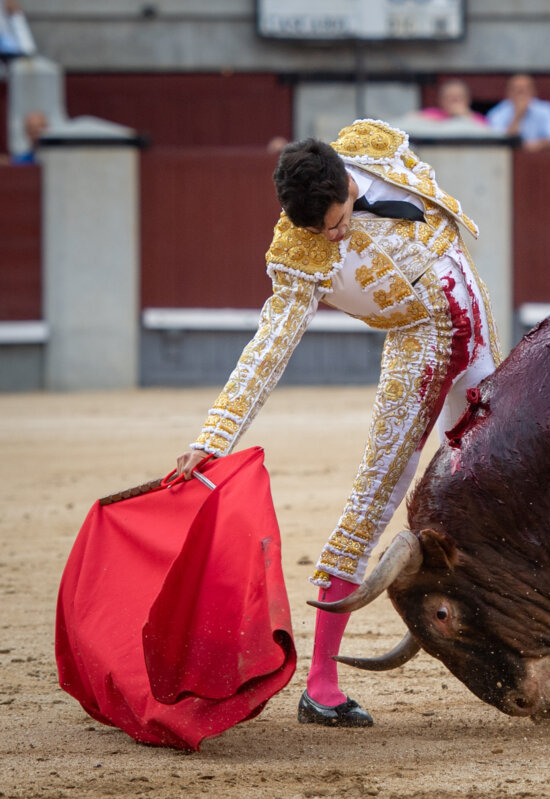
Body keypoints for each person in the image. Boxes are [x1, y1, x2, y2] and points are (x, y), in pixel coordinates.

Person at [174, 120, 501, 728]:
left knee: (503, 474)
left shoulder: (374, 143)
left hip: (475, 323)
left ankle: (513, 629)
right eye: (328, 230)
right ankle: (321, 684)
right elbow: (268, 347)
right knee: (374, 498)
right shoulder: (300, 251)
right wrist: (212, 438)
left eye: (339, 218)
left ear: (348, 184)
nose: (337, 233)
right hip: (421, 348)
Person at [485, 73, 550, 151]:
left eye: (525, 89)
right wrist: (518, 116)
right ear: (508, 93)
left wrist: (537, 145)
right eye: (517, 90)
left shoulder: (546, 109)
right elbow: (498, 142)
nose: (521, 94)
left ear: (533, 92)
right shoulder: (497, 113)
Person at [420, 79, 488, 126]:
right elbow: (412, 120)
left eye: (459, 97)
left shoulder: (477, 118)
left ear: (468, 100)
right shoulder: (432, 113)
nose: (454, 101)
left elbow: (487, 132)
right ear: (440, 100)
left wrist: (466, 116)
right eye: (449, 97)